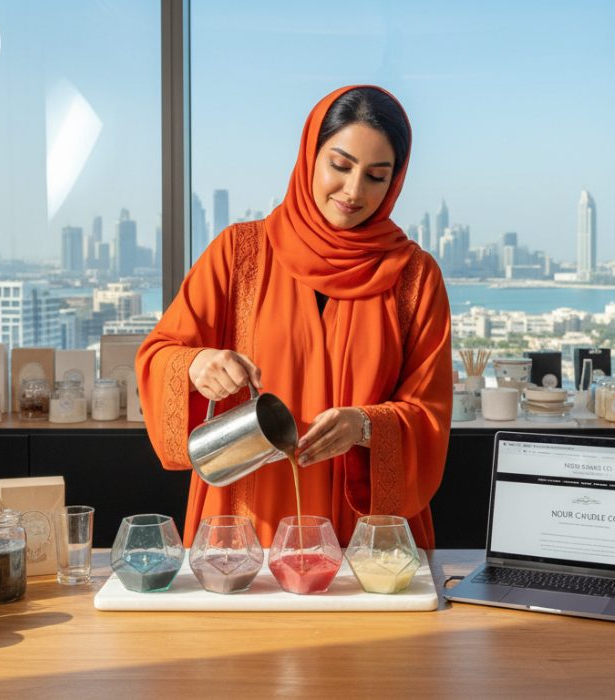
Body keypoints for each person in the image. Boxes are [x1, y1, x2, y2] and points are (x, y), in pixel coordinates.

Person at [136, 85, 452, 549]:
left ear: (394, 183)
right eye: (340, 166)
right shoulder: (238, 253)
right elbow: (159, 355)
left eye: (375, 177)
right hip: (244, 523)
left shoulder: (415, 278)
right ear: (310, 155)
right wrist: (198, 363)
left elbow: (430, 414)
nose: (352, 191)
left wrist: (365, 425)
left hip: (365, 535)